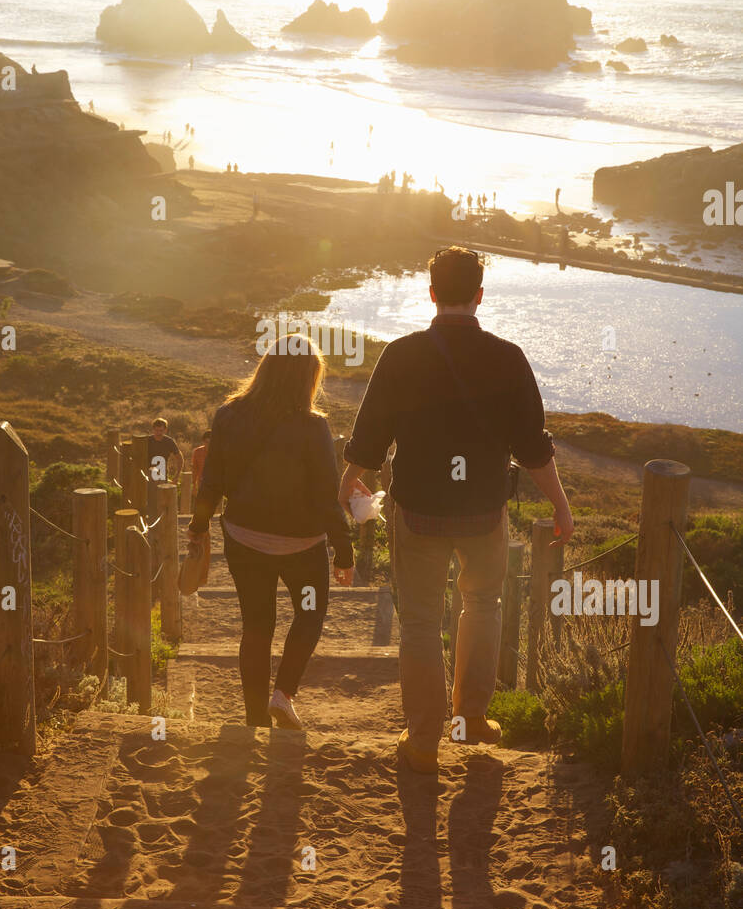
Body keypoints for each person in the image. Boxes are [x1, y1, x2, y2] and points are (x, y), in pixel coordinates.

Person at [339, 245, 573, 774]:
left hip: (417, 511)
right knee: (482, 606)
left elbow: (369, 439)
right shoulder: (508, 357)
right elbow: (534, 449)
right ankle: (471, 721)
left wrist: (349, 482)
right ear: (479, 296)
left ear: (431, 293)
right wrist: (560, 504)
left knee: (420, 623)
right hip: (485, 513)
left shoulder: (400, 354)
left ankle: (423, 736)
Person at [188, 334, 354, 729]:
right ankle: (282, 696)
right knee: (310, 613)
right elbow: (327, 498)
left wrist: (197, 527)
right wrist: (344, 552)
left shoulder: (227, 415)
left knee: (257, 625)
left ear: (266, 368)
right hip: (303, 546)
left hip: (244, 540)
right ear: (308, 377)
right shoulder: (314, 426)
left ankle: (253, 721)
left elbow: (210, 483)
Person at [148, 418, 183, 482]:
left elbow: (179, 458)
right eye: (156, 430)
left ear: (165, 430)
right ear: (153, 429)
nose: (158, 433)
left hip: (162, 476)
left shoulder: (169, 442)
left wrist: (177, 476)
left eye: (161, 430)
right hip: (147, 477)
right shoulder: (147, 441)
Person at [191, 430, 212, 505]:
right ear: (203, 441)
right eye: (206, 442)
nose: (209, 444)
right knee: (202, 505)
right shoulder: (197, 452)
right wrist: (194, 485)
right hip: (201, 483)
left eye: (211, 442)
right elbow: (194, 468)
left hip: (215, 484)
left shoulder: (219, 452)